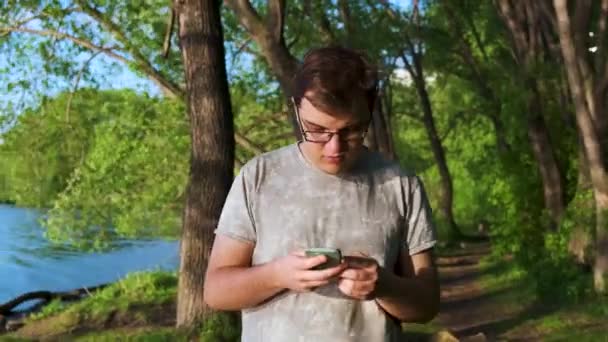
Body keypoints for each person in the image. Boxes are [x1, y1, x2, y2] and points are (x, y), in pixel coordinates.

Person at [204, 46, 439, 341]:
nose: (334, 148)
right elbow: (215, 291)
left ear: (370, 111)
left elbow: (428, 304)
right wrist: (277, 275)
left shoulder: (402, 185)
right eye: (317, 129)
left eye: (352, 130)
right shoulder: (260, 176)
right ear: (296, 108)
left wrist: (386, 286)